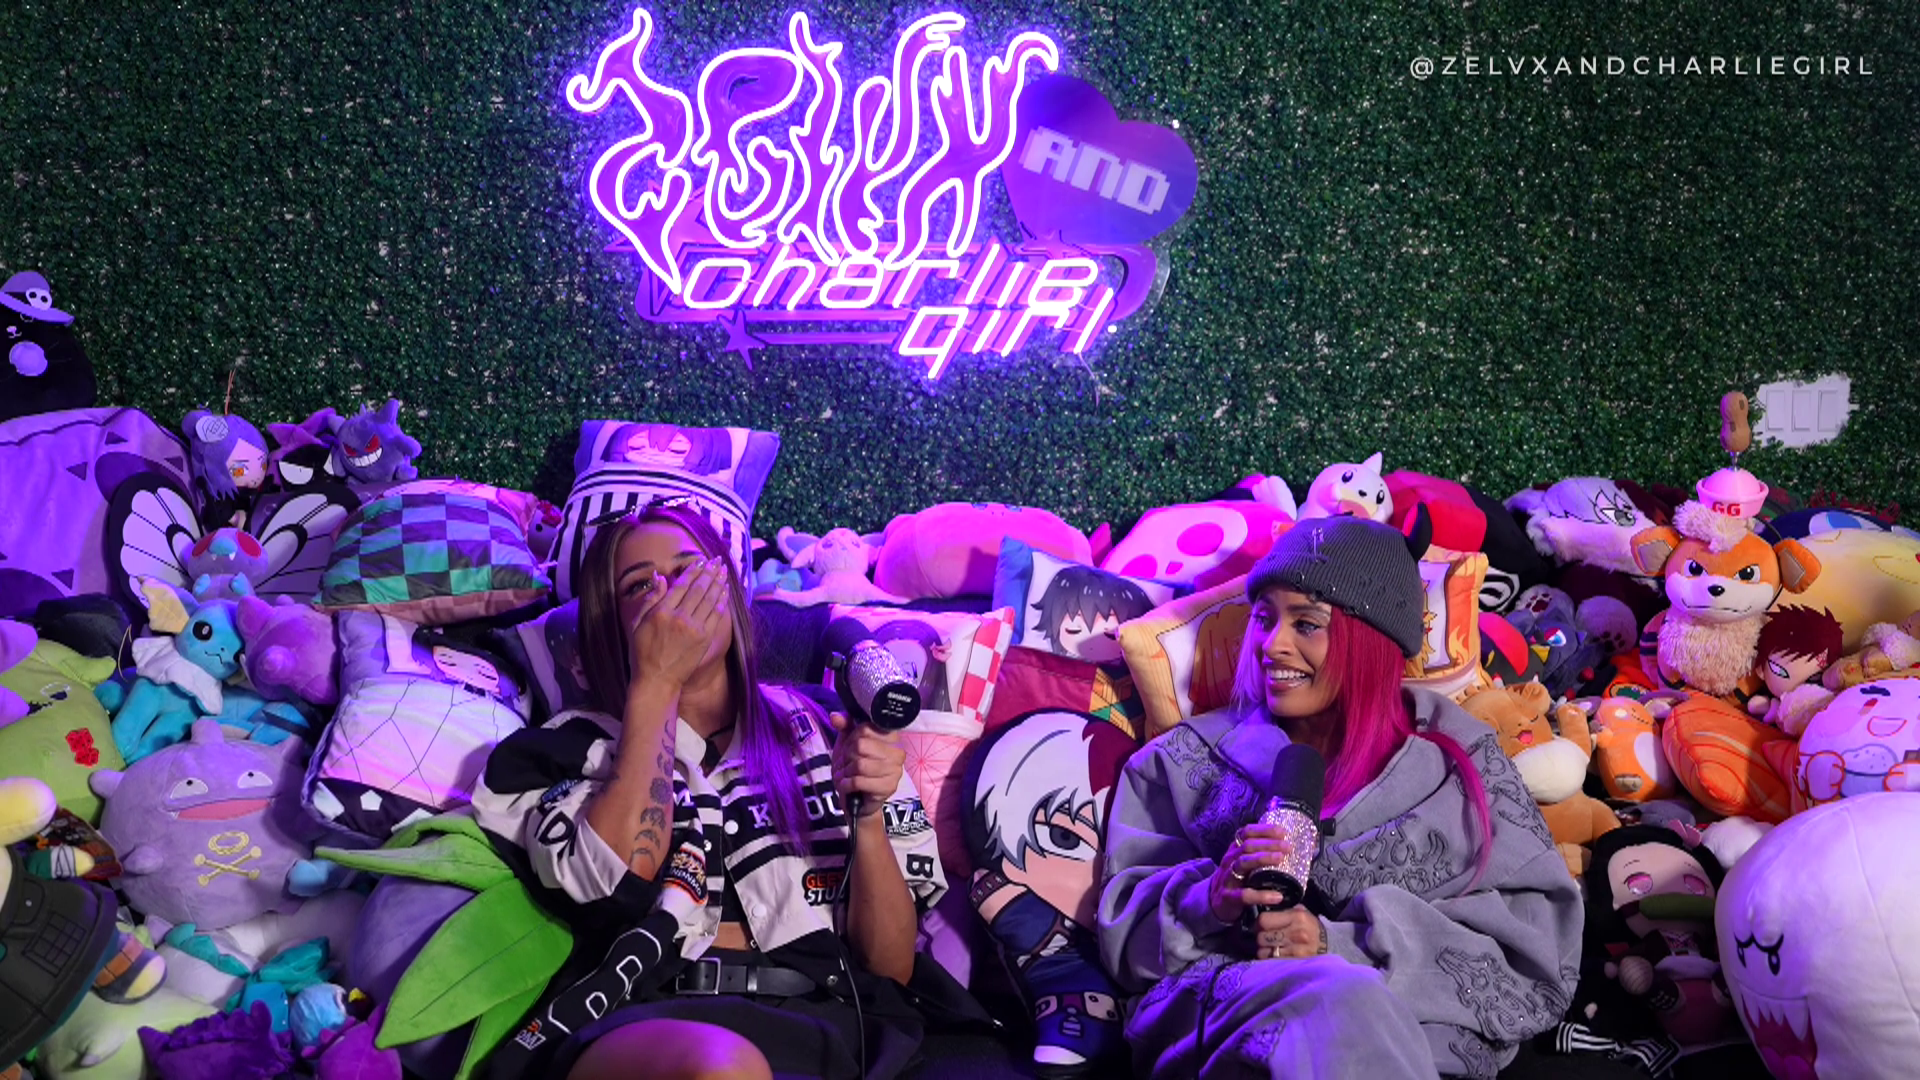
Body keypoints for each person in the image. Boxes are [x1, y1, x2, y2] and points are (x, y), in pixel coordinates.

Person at [471, 501, 959, 1080]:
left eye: (687, 572)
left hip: (824, 1027)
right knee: (722, 1067)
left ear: (729, 588)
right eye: (639, 587)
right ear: (609, 627)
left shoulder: (830, 729)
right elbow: (613, 884)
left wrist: (869, 817)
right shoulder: (567, 747)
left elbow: (891, 968)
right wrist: (657, 681)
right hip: (642, 1017)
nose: (672, 596)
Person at [1097, 512, 1584, 1079]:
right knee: (1339, 1002)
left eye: (1306, 624)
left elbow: (1538, 957)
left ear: (1370, 640)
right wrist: (1209, 900)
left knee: (1350, 1001)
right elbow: (1122, 942)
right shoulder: (1179, 762)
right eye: (1263, 619)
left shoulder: (1464, 766)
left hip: (1413, 1048)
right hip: (1232, 1029)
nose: (1272, 645)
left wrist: (1340, 944)